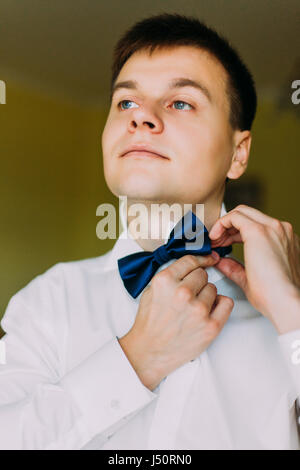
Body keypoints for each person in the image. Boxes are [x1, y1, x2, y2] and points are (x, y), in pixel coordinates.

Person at [0, 13, 300, 450]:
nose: (141, 118)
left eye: (181, 102)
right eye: (126, 103)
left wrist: (292, 314)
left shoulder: (289, 320)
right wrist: (135, 360)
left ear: (239, 153)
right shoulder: (47, 300)